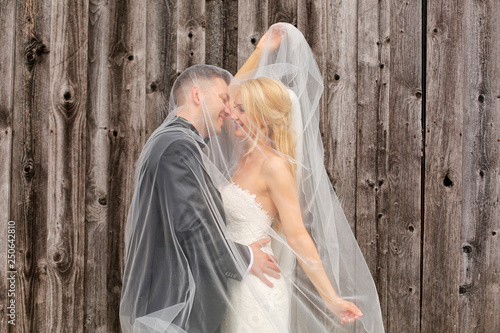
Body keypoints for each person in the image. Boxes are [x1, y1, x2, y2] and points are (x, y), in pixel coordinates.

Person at [204, 23, 386, 332]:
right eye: (236, 109)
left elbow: (298, 235)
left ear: (264, 117)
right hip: (231, 280)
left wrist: (331, 298)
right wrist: (261, 50)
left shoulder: (273, 166)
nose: (233, 114)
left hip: (257, 288)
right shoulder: (241, 152)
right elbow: (229, 96)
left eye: (243, 110)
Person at [119, 65, 281, 333]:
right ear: (197, 94)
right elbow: (192, 228)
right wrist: (245, 256)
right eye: (224, 99)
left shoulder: (170, 139)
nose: (229, 110)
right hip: (176, 308)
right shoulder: (177, 147)